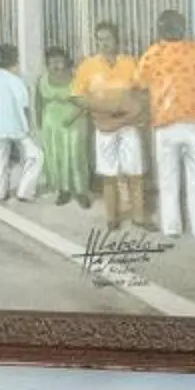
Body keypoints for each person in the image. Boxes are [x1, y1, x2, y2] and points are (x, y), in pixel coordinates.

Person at [138, 8, 195, 239]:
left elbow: (140, 83)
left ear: (159, 30)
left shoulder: (152, 54)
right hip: (194, 123)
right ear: (183, 28)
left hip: (164, 125)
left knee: (167, 179)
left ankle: (172, 226)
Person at [71, 21, 150, 232]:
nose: (104, 43)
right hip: (104, 127)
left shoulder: (130, 63)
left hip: (128, 125)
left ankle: (139, 217)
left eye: (107, 39)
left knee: (135, 173)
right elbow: (77, 97)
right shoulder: (87, 67)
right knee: (109, 175)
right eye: (99, 40)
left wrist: (137, 110)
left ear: (116, 40)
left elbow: (142, 90)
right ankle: (112, 218)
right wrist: (99, 108)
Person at [0, 43, 44, 204]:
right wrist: (30, 128)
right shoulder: (17, 80)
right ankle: (25, 191)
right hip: (16, 126)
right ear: (13, 61)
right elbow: (25, 107)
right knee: (36, 156)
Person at [35, 44, 93, 209]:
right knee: (57, 158)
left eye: (59, 61)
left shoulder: (76, 78)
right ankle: (63, 190)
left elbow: (85, 102)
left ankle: (81, 192)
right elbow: (38, 102)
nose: (56, 65)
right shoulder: (42, 79)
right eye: (52, 62)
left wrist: (72, 117)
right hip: (52, 128)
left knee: (76, 158)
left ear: (66, 61)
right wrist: (39, 123)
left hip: (75, 124)